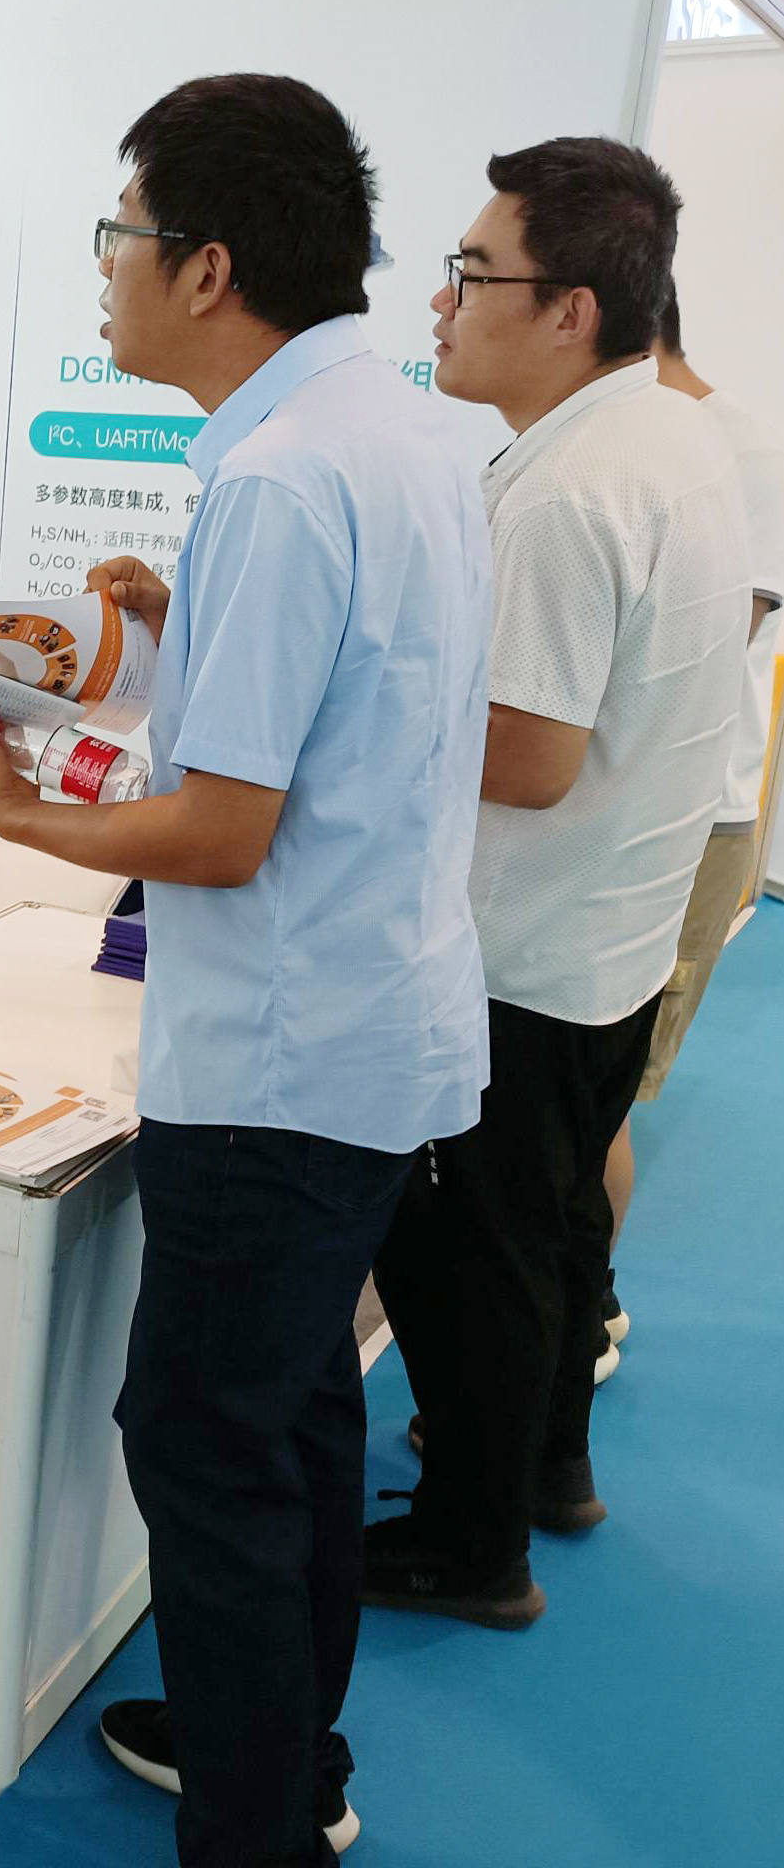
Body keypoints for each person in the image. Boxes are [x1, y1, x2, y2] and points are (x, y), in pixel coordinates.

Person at [0, 74, 492, 1868]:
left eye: (119, 234)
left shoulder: (275, 472)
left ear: (205, 265)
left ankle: (255, 1824)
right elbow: (366, 692)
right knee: (297, 1413)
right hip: (378, 1028)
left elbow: (223, 829)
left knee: (202, 1443)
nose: (103, 269)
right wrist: (181, 626)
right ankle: (281, 1747)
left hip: (274, 1062)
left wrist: (18, 813)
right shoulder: (399, 432)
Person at [368, 138, 751, 1628]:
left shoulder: (565, 493)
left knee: (471, 1259)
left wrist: (351, 709)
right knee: (555, 1233)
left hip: (518, 953)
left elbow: (525, 758)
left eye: (472, 273)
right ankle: (545, 1467)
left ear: (570, 309)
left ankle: (469, 1549)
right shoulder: (667, 439)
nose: (443, 302)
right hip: (608, 935)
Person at [601, 285, 784, 1342]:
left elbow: (702, 645)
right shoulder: (625, 439)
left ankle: (584, 1314)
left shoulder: (737, 449)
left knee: (600, 1097)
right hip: (609, 811)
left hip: (685, 816)